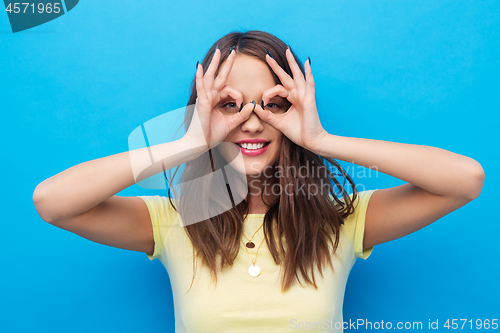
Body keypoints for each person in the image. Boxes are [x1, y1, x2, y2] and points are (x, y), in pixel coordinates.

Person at [32, 30, 485, 332]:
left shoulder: (342, 220)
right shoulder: (174, 221)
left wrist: (321, 139)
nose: (251, 122)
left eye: (272, 104)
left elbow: (465, 180)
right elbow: (52, 202)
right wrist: (190, 142)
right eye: (230, 105)